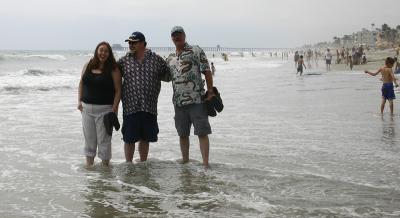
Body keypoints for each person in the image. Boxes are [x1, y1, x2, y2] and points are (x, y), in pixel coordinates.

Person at [166, 26, 215, 168]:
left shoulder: (196, 50)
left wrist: (210, 91)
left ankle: (206, 163)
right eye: (174, 35)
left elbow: (207, 71)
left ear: (184, 35)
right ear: (172, 38)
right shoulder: (170, 58)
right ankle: (185, 160)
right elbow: (168, 77)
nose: (177, 37)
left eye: (179, 34)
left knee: (202, 132)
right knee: (182, 134)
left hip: (197, 100)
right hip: (178, 102)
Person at [117, 31, 170, 163]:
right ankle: (128, 165)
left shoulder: (156, 60)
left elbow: (169, 76)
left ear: (142, 43)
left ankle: (143, 164)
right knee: (129, 139)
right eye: (129, 42)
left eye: (133, 42)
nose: (130, 45)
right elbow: (111, 77)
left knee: (145, 138)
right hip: (130, 107)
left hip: (149, 107)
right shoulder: (123, 61)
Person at [77, 41, 122, 166]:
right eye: (101, 50)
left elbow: (118, 90)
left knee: (104, 142)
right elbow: (81, 83)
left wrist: (114, 109)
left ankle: (105, 173)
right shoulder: (88, 65)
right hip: (86, 110)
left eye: (106, 51)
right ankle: (89, 170)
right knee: (89, 142)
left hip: (105, 110)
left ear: (109, 53)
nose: (103, 53)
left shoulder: (113, 69)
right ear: (97, 51)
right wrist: (79, 101)